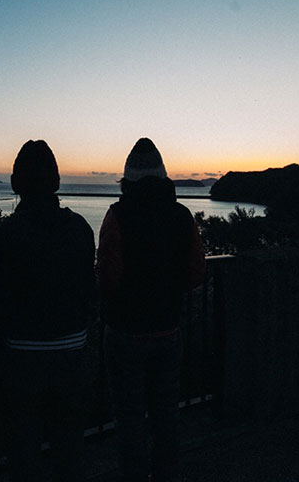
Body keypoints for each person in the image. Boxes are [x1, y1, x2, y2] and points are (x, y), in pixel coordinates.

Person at [96, 138, 206, 482]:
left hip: (125, 334)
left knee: (129, 420)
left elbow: (107, 279)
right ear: (163, 177)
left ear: (127, 179)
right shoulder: (181, 216)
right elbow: (196, 274)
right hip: (169, 330)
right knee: (165, 416)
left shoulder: (117, 217)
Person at [0, 140, 96, 482]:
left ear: (15, 182)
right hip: (72, 352)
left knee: (23, 450)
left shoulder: (6, 233)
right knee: (71, 447)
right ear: (57, 180)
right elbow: (87, 291)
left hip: (21, 356)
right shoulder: (80, 228)